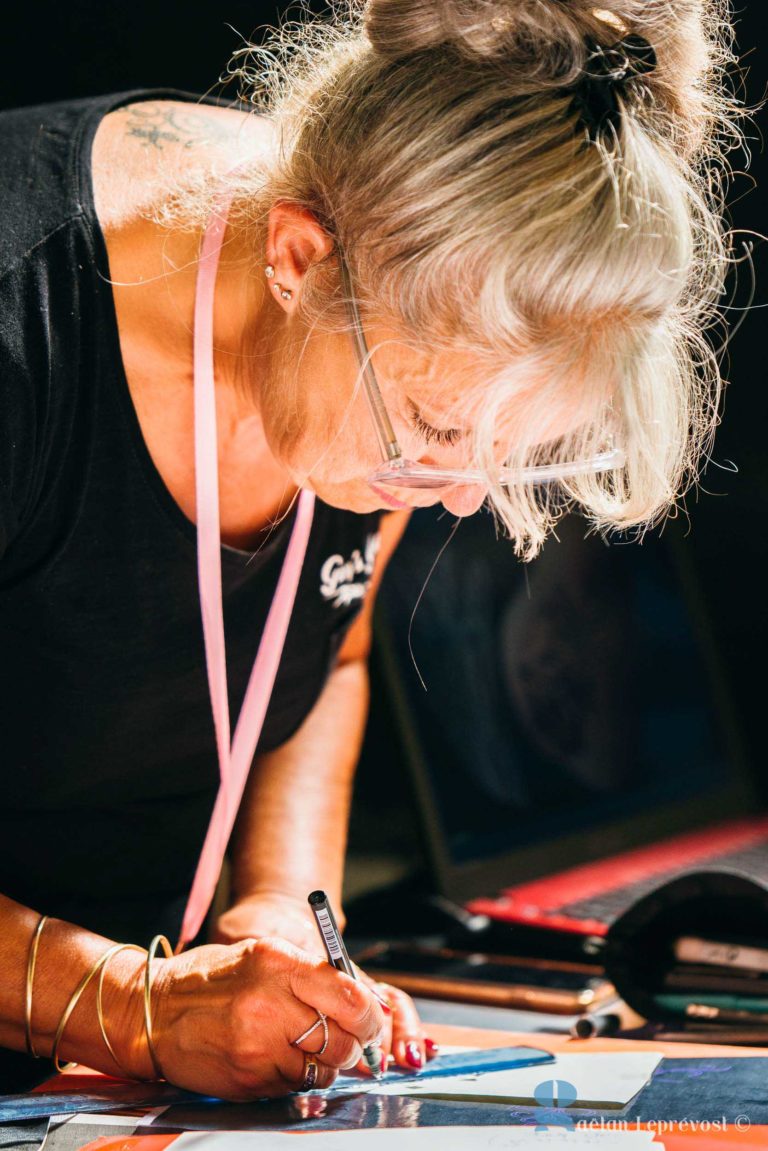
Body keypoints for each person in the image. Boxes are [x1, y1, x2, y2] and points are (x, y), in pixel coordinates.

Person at [0, 0, 740, 1100]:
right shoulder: (26, 331)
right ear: (298, 257)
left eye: (506, 458)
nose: (449, 502)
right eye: (438, 438)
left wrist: (282, 907)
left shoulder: (404, 278)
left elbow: (323, 649)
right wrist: (125, 1002)